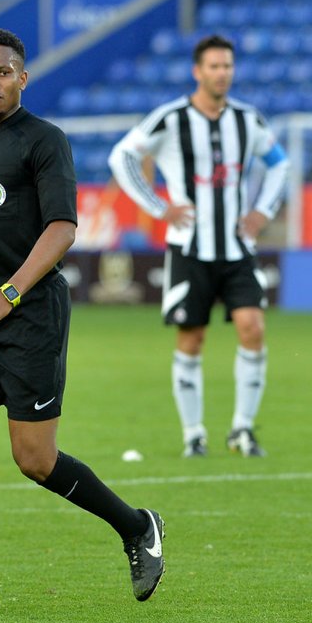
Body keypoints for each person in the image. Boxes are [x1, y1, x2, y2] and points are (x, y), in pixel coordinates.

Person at [0, 28, 164, 612]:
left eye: (2, 73)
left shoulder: (45, 141)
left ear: (23, 78)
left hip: (29, 313)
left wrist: (11, 292)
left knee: (35, 460)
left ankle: (135, 526)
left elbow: (63, 228)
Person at [107, 34, 289, 459]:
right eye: (214, 66)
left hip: (237, 247)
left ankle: (242, 430)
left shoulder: (248, 119)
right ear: (197, 71)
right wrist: (157, 206)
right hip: (189, 249)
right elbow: (122, 157)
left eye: (227, 66)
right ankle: (194, 434)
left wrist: (263, 210)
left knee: (253, 328)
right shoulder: (170, 118)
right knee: (192, 338)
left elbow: (280, 164)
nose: (222, 73)